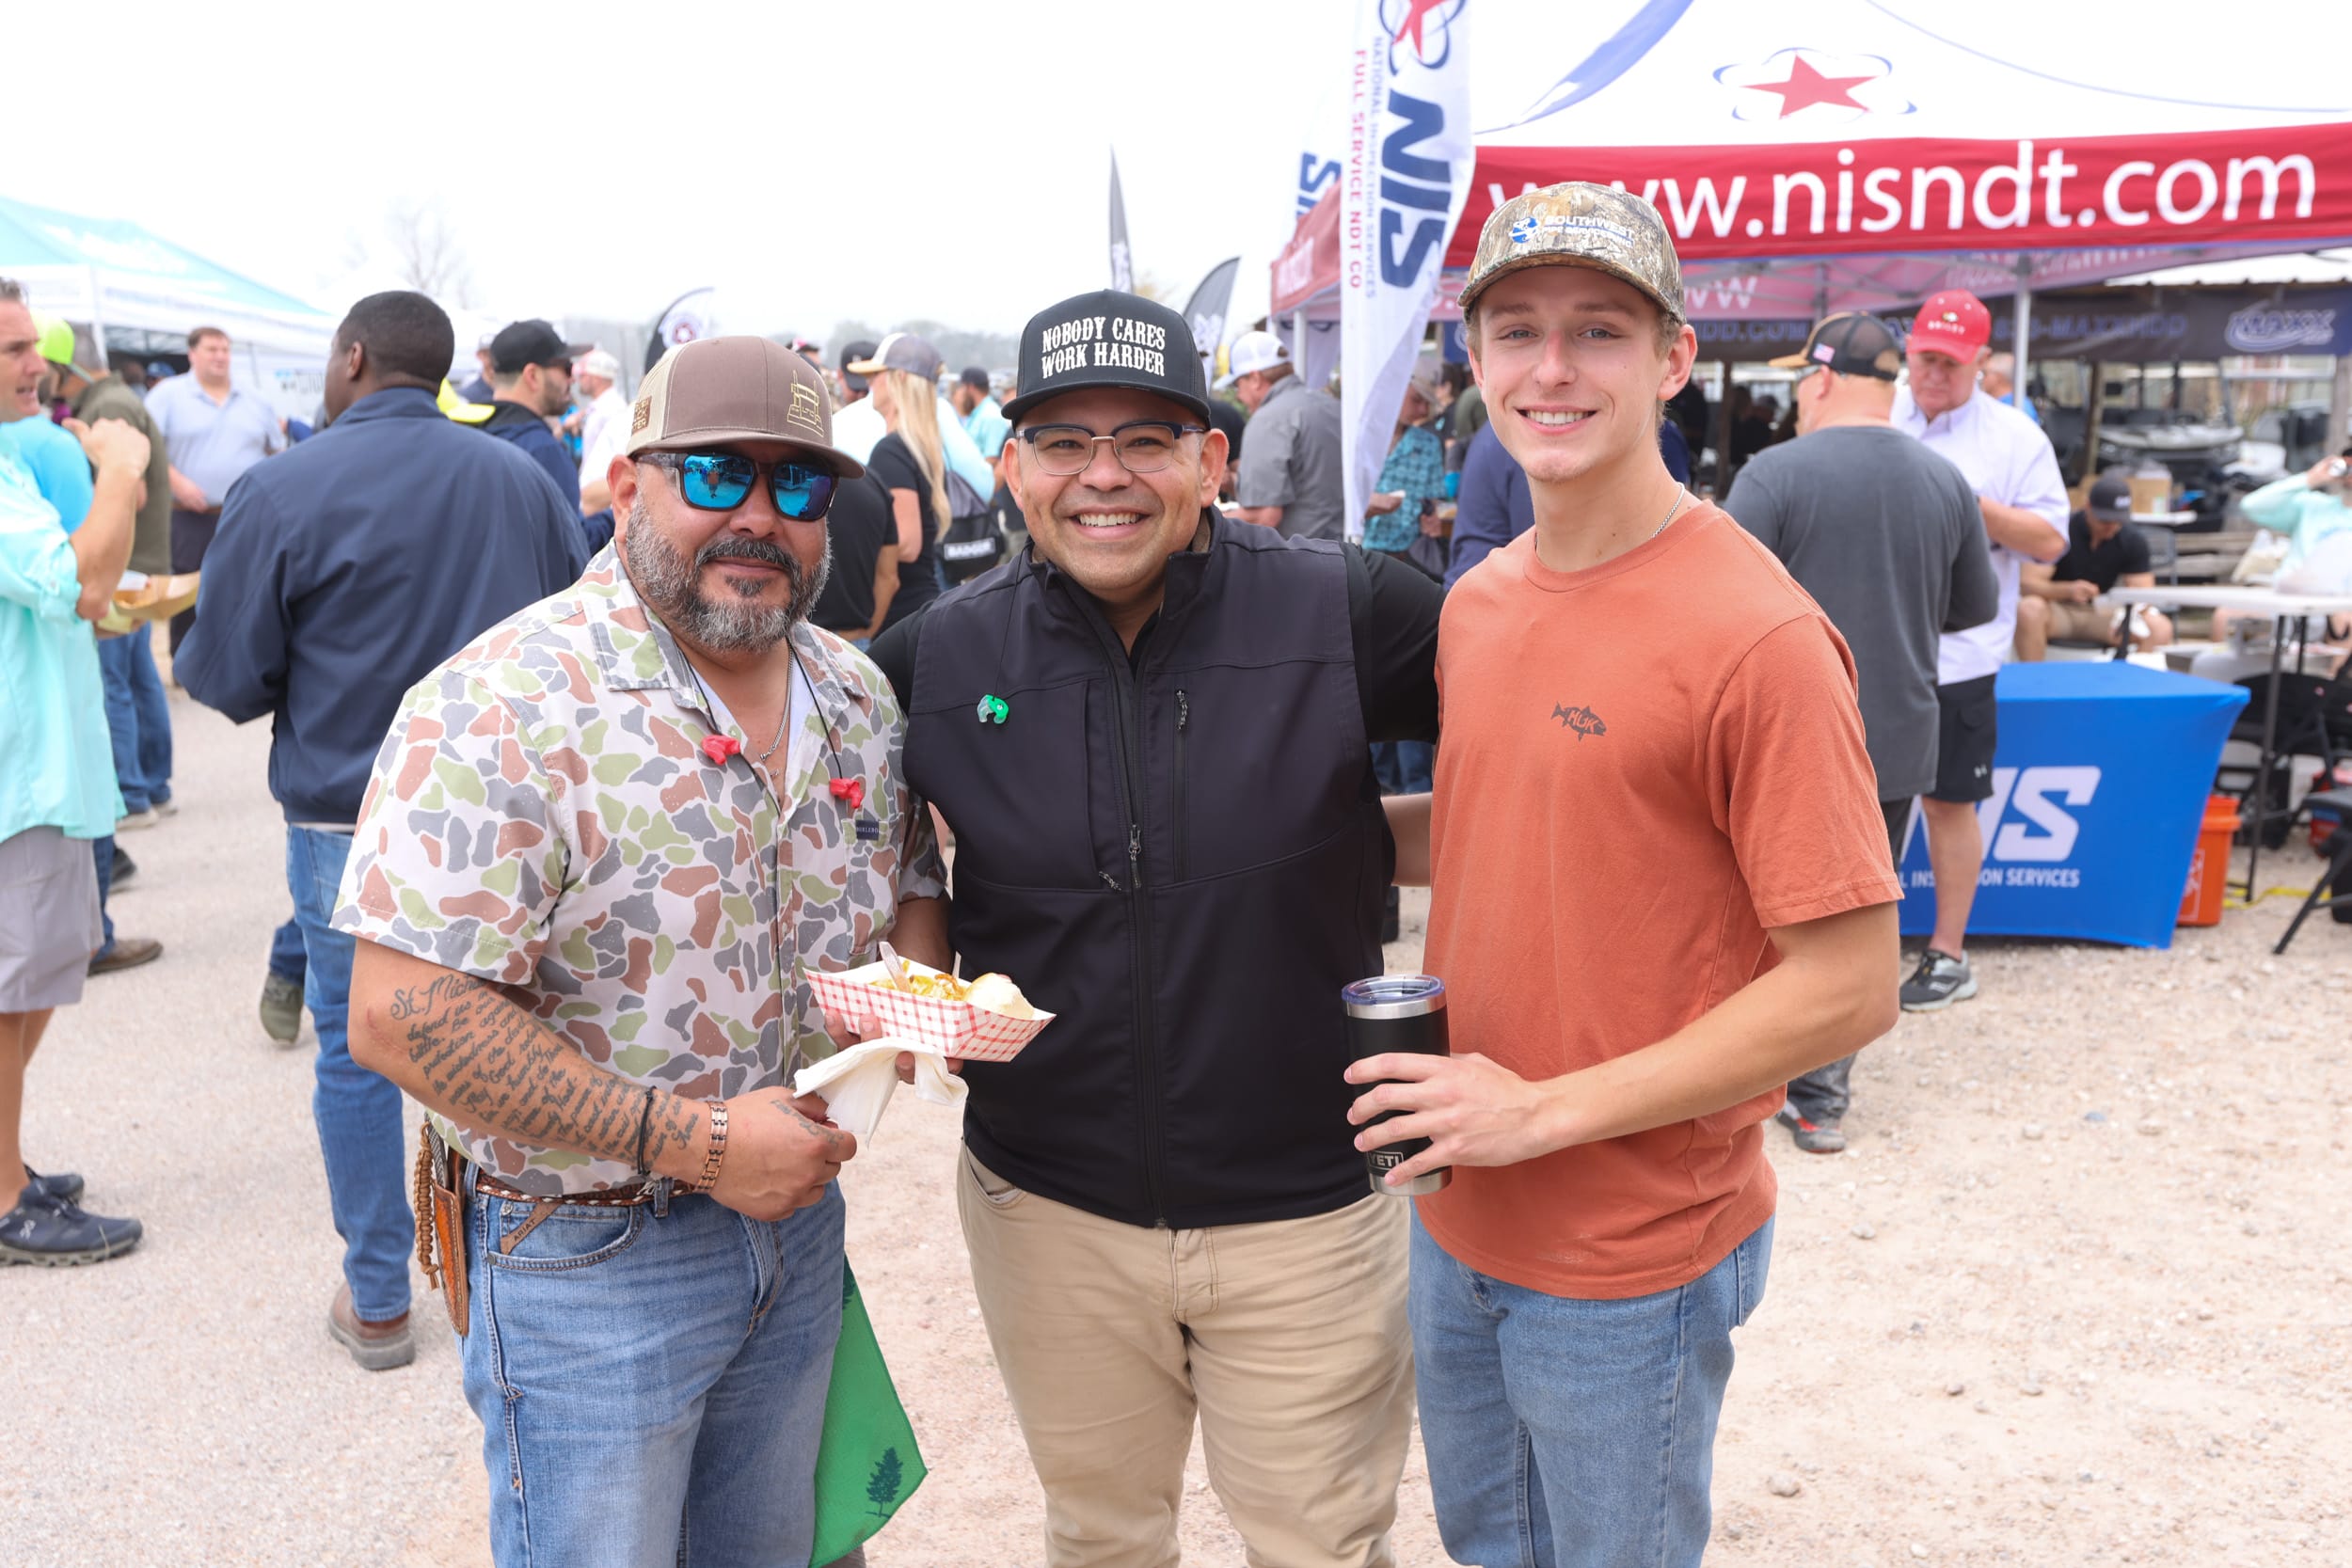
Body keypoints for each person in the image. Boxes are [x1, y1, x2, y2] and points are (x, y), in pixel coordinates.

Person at [1348, 183, 1899, 1568]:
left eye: (1599, 330)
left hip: (1630, 1248)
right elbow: (1508, 820)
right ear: (1474, 359)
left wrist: (1541, 1110)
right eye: (1517, 330)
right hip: (1458, 1201)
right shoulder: (1482, 601)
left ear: (1672, 360)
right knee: (1491, 1546)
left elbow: (1850, 983)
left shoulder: (1757, 634)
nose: (1552, 368)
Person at [339, 334, 945, 1564]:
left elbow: (911, 881)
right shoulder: (505, 702)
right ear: (628, 485)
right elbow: (403, 1010)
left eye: (798, 484)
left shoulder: (854, 693)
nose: (760, 516)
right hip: (589, 1260)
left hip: (797, 1232)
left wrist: (908, 998)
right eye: (716, 475)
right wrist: (703, 1142)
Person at [866, 289, 1441, 1568]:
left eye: (1145, 439)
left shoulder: (1343, 609)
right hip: (1048, 1209)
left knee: (1323, 1547)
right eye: (1065, 442)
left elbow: (1563, 718)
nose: (1103, 476)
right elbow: (818, 816)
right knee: (1102, 1539)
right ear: (1013, 465)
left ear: (1211, 458)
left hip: (1310, 1208)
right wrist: (910, 949)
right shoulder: (939, 658)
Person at [175, 292, 590, 1369]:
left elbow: (223, 675)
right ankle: (526, 1274)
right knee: (513, 1033)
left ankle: (376, 1297)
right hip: (503, 812)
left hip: (344, 812)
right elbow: (575, 636)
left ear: (352, 357)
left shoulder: (283, 485)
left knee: (357, 1051)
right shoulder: (520, 477)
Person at [1725, 309, 1999, 1152]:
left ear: (1820, 378)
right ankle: (1821, 1095)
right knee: (1855, 924)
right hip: (1898, 734)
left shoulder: (1773, 473)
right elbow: (1974, 607)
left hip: (1785, 735)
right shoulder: (1945, 481)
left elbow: (1714, 606)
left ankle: (1739, 1075)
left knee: (1750, 912)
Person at [0, 275, 152, 1264]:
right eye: (14, 350)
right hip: (21, 776)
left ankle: (5, 1165)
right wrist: (120, 471)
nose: (38, 364)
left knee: (33, 980)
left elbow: (83, 586)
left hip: (37, 772)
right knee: (12, 989)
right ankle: (4, 1197)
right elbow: (81, 579)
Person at [1894, 289, 2069, 1011]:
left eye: (1951, 363)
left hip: (1961, 654)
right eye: (1925, 359)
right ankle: (1846, 957)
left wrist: (1969, 504)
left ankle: (1948, 953)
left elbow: (2051, 541)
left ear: (1983, 363)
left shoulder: (2014, 437)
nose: (1934, 375)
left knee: (1948, 803)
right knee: (1859, 802)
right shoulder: (1879, 415)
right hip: (1872, 646)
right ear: (1908, 352)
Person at [46, 334, 178, 928]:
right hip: (132, 565)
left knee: (117, 688)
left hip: (120, 567)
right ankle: (152, 788)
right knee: (138, 679)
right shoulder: (116, 399)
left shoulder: (106, 409)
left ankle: (136, 794)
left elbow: (135, 490)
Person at [147, 325, 285, 654]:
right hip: (191, 516)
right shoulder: (168, 396)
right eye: (211, 349)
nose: (220, 356)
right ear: (192, 354)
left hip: (245, 516)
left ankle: (242, 659)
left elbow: (277, 451)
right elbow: (147, 448)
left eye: (225, 349)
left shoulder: (255, 399)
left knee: (246, 589)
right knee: (188, 596)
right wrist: (176, 482)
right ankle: (184, 662)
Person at [850, 333, 955, 631]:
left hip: (900, 616)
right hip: (919, 609)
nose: (869, 382)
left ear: (899, 378)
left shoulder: (892, 450)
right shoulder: (922, 449)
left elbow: (907, 544)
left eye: (876, 374)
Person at [2016, 473, 2174, 657]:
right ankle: (2034, 674)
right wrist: (2068, 590)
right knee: (2029, 609)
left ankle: (2130, 674)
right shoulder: (2061, 530)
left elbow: (2143, 596)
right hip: (2058, 609)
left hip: (2103, 614)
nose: (2111, 527)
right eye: (2105, 520)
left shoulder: (2131, 539)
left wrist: (2121, 601)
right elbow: (2027, 584)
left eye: (2118, 521)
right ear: (2088, 506)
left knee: (2159, 627)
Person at [1223, 328, 1346, 541]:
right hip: (1343, 550)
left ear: (1255, 378)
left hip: (1297, 554)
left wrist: (1206, 522)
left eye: (1237, 385)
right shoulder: (1332, 406)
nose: (1238, 395)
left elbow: (1264, 516)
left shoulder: (1268, 419)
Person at [476, 320, 582, 511]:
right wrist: (615, 515)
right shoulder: (543, 450)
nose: (572, 379)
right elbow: (572, 530)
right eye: (566, 368)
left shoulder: (470, 433)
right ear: (532, 376)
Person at [807, 467, 900, 646]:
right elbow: (889, 578)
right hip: (854, 640)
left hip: (793, 640)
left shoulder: (795, 480)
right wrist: (867, 632)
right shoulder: (874, 484)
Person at [1443, 420, 1533, 589]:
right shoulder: (1518, 441)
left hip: (1475, 581)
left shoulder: (1496, 433)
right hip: (1490, 589)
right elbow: (1539, 546)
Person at [571, 348, 629, 514]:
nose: (579, 381)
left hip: (601, 502)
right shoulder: (602, 408)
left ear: (596, 378)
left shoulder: (612, 409)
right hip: (595, 498)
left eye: (583, 376)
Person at [953, 365, 1009, 458]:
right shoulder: (978, 413)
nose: (960, 391)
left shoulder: (991, 416)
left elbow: (992, 458)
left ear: (971, 387)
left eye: (962, 387)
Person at [1981, 352, 2040, 424]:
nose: (1982, 378)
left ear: (1999, 377)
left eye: (1985, 373)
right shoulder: (2011, 402)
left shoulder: (2019, 405)